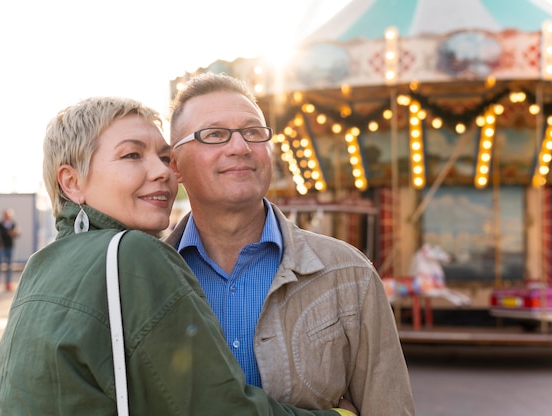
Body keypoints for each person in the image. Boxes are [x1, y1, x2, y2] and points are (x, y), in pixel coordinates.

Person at [0, 96, 354, 416]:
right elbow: (220, 408)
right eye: (133, 155)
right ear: (72, 182)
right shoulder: (134, 255)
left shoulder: (40, 267)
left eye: (165, 157)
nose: (163, 171)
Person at [165, 72, 415, 414]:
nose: (239, 147)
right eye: (214, 135)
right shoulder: (145, 281)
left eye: (253, 132)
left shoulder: (348, 275)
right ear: (175, 165)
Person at [0, 208, 20, 291]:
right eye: (6, 215)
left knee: (9, 266)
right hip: (2, 247)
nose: (7, 217)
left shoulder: (13, 224)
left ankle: (8, 284)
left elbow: (17, 234)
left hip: (10, 247)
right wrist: (8, 233)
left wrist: (14, 233)